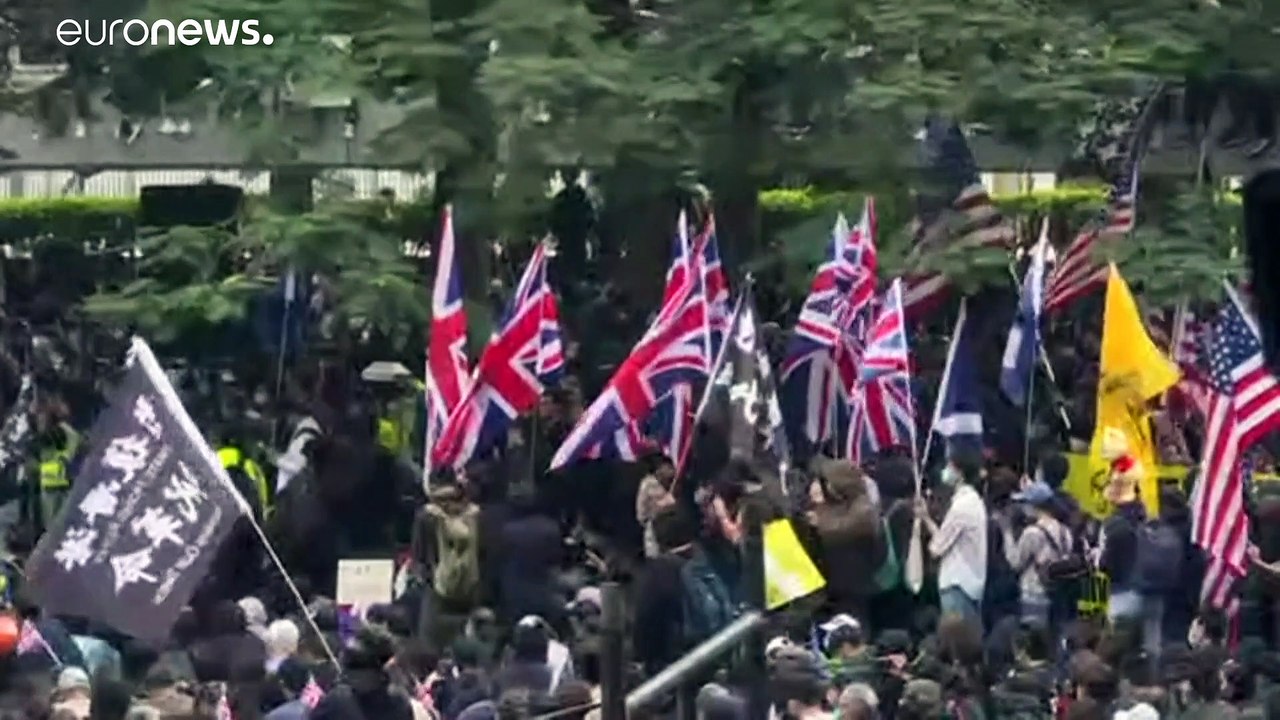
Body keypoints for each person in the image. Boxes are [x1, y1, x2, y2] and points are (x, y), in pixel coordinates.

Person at [916, 451, 988, 625]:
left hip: (957, 584)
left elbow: (936, 549)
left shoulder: (961, 507)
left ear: (960, 473)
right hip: (971, 582)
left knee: (956, 640)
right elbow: (945, 538)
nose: (945, 471)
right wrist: (926, 518)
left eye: (949, 467)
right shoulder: (973, 501)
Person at [1005, 481, 1074, 630]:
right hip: (1058, 594)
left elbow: (1015, 563)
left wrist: (1008, 535)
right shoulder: (1065, 531)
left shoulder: (1032, 532)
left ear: (1034, 505)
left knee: (1033, 640)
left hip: (1033, 593)